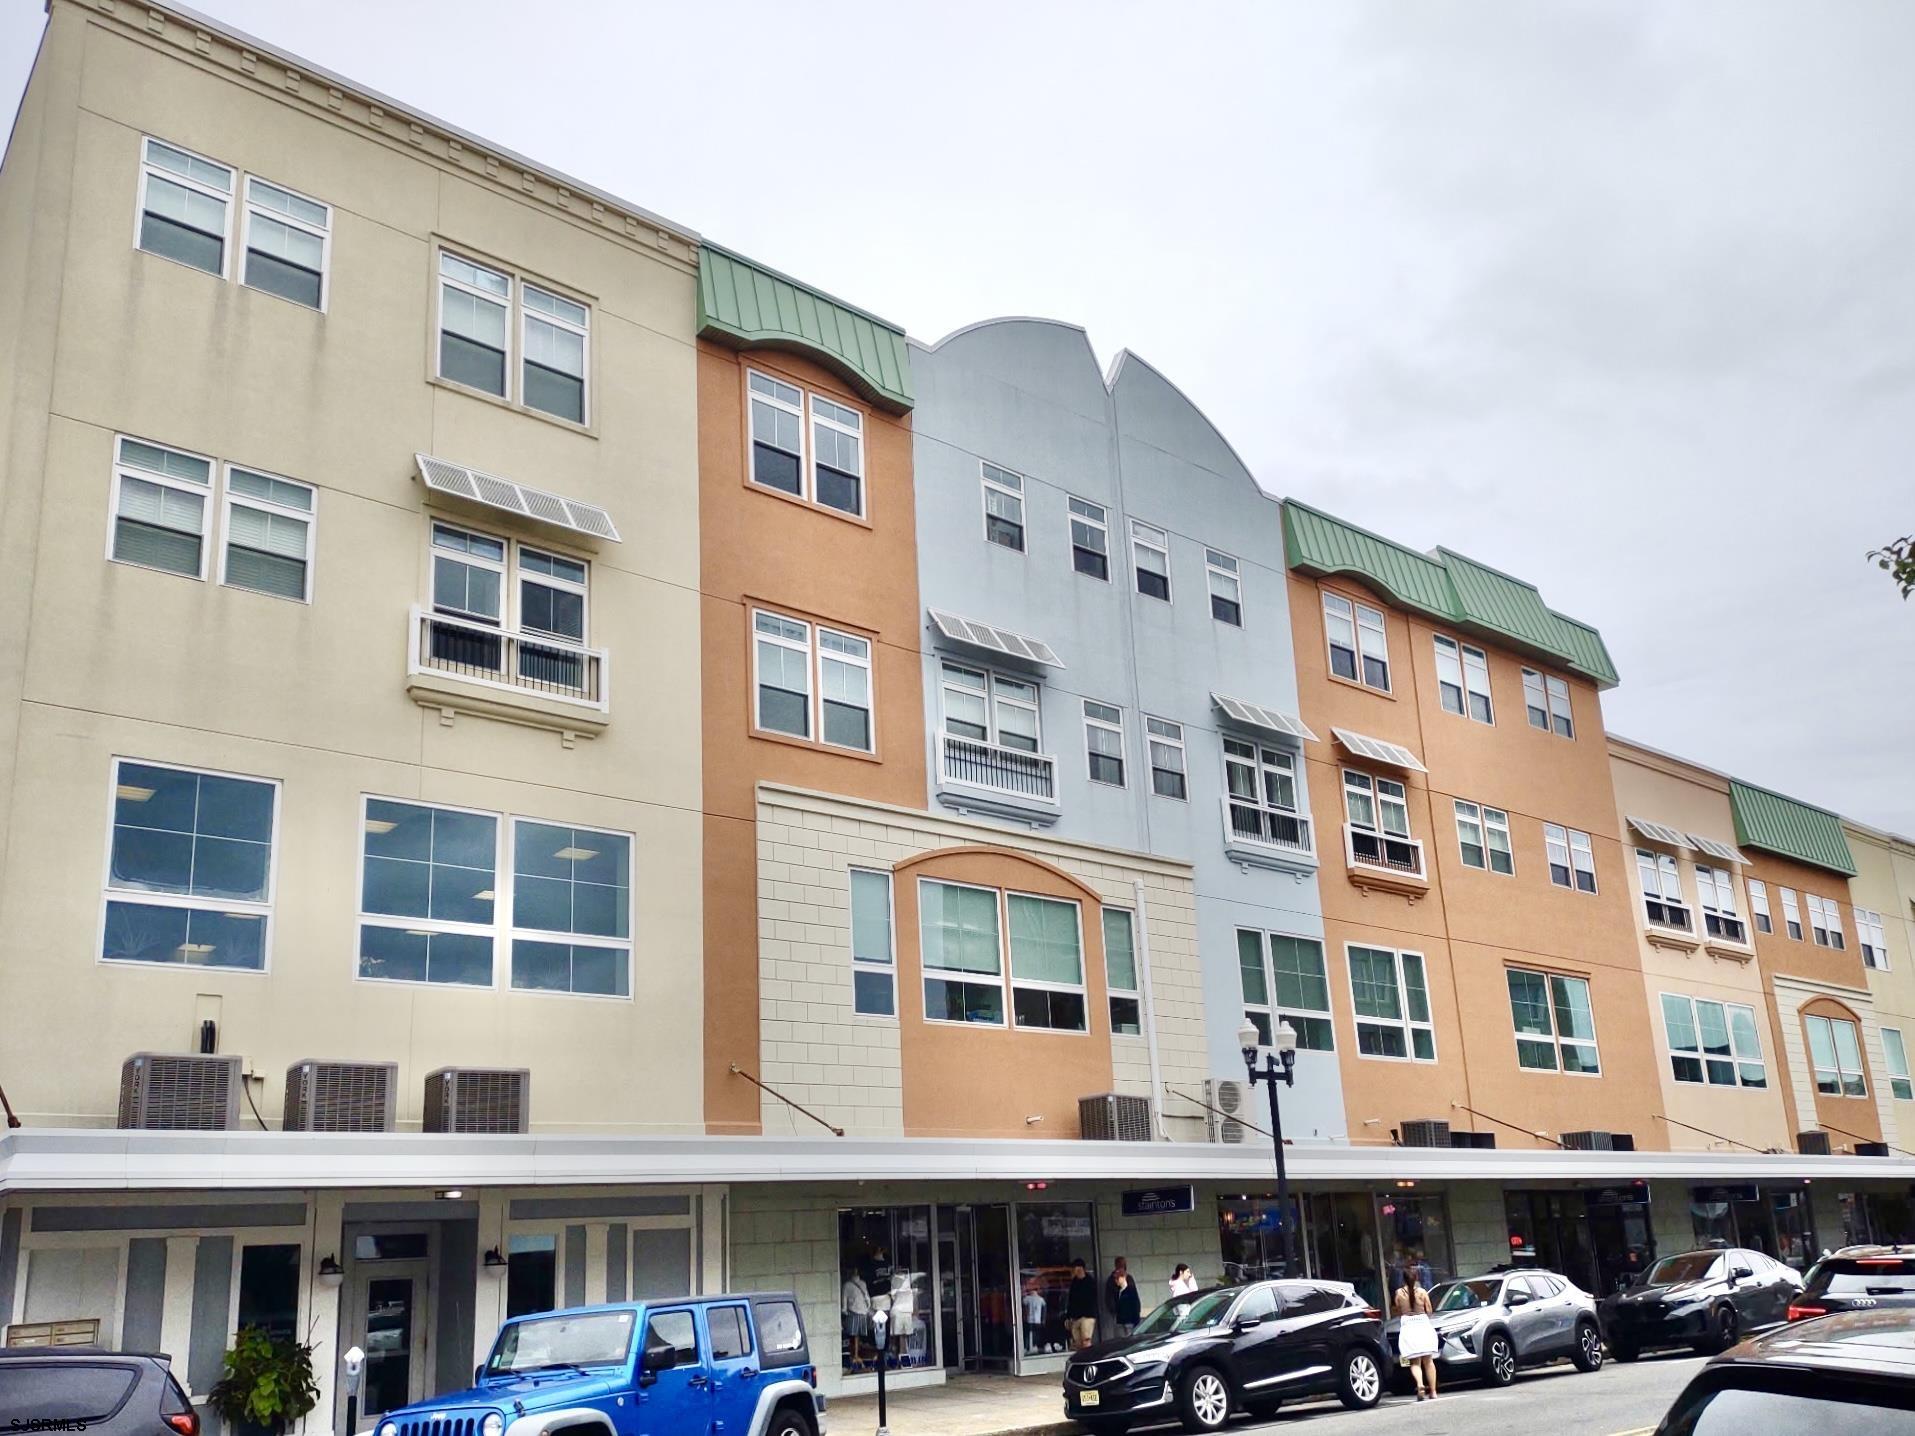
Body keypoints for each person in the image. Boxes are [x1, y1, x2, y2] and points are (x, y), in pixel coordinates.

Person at [1393, 1267, 1438, 1400]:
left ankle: (1420, 1385)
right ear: (1417, 1277)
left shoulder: (1399, 1293)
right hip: (1423, 1325)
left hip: (1408, 1327)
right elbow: (1429, 1310)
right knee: (1428, 1361)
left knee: (1415, 1362)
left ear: (1403, 1279)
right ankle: (1433, 1391)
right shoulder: (1423, 1292)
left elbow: (1398, 1311)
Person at [1066, 1258, 1099, 1350]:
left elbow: (1091, 1299)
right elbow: (1071, 1300)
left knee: (1086, 1340)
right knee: (1077, 1342)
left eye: (1075, 1268)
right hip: (1076, 1316)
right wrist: (1069, 1316)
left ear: (1080, 1268)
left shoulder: (1090, 1282)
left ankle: (1088, 1358)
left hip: (1087, 1316)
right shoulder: (1074, 1283)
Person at [1103, 1256, 1129, 1335]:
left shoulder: (1128, 1278)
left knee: (1122, 1335)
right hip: (1121, 1311)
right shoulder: (1112, 1280)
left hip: (1123, 1311)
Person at [1114, 1270, 1142, 1336]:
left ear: (1123, 1278)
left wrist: (1135, 1320)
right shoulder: (1118, 1291)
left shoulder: (1131, 1290)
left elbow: (1136, 1306)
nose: (1116, 1280)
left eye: (1117, 1278)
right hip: (1121, 1321)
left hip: (1130, 1321)